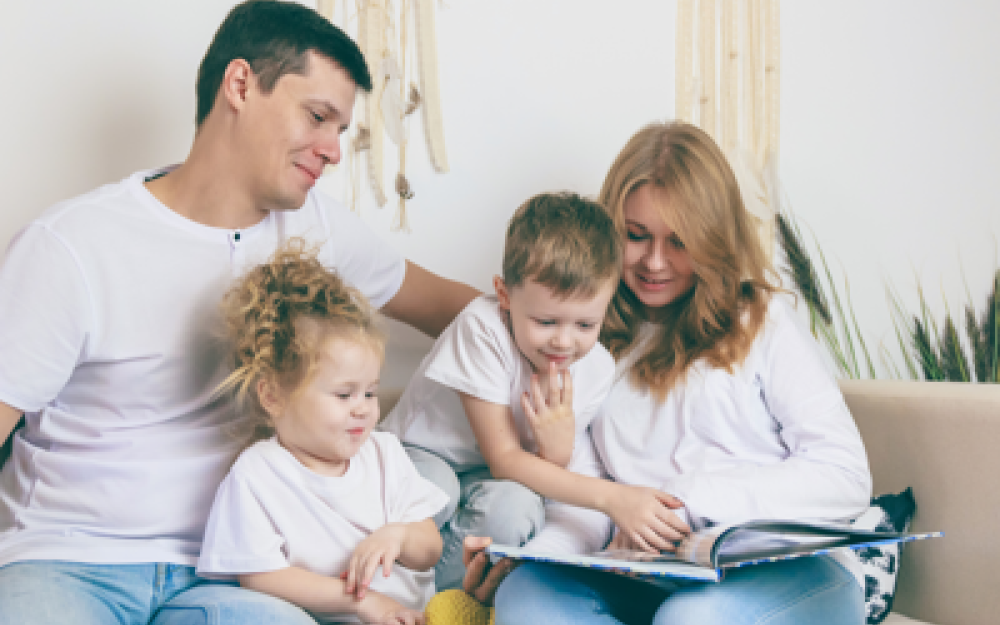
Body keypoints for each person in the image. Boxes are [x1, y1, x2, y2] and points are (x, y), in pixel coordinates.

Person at [0, 2, 476, 623]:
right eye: (318, 117)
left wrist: (581, 341)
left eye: (341, 129)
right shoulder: (72, 244)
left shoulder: (318, 228)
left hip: (227, 575)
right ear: (241, 85)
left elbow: (456, 310)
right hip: (69, 559)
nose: (334, 151)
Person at [465, 121, 874, 625]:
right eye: (636, 236)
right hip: (649, 576)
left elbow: (844, 475)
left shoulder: (761, 322)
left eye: (679, 242)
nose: (654, 263)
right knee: (526, 597)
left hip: (787, 575)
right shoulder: (584, 338)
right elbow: (590, 495)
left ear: (712, 239)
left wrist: (688, 502)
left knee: (691, 619)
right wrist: (533, 556)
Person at [380, 192, 691, 591]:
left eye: (585, 325)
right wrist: (615, 498)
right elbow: (505, 458)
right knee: (438, 490)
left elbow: (537, 473)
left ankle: (436, 604)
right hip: (421, 455)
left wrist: (557, 452)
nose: (564, 342)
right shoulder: (482, 328)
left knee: (518, 509)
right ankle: (382, 591)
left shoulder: (597, 368)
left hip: (484, 476)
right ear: (505, 296)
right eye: (546, 321)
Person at [197, 240, 447, 625]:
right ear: (273, 397)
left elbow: (431, 548)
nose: (363, 407)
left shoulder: (383, 452)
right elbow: (261, 575)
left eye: (370, 392)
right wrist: (362, 602)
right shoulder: (258, 473)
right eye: (344, 395)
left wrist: (398, 536)